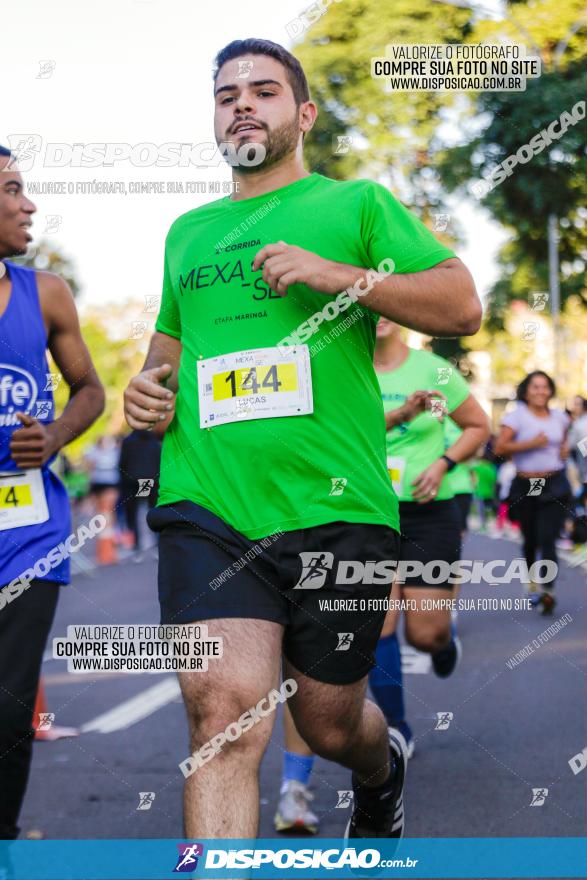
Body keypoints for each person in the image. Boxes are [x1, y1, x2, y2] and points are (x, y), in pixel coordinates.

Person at [123, 38, 481, 841]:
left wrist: (338, 276)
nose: (242, 103)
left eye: (264, 90)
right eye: (226, 95)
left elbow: (461, 306)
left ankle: (379, 765)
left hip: (339, 510)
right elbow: (165, 362)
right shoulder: (188, 232)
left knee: (326, 723)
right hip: (209, 505)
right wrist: (144, 392)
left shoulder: (354, 208)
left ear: (304, 112)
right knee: (223, 713)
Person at [274, 321, 489, 831]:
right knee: (383, 621)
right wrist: (402, 414)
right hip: (365, 512)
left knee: (426, 629)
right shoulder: (340, 365)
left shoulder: (433, 369)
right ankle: (397, 729)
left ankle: (442, 640)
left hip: (424, 509)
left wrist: (442, 463)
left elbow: (477, 426)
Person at [0, 145, 104, 839]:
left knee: (9, 709)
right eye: (12, 190)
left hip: (29, 533)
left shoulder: (48, 293)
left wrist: (59, 433)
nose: (29, 204)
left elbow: (91, 389)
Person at [494, 371, 571, 615]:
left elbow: (564, 440)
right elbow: (499, 448)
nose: (540, 391)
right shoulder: (516, 417)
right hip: (526, 483)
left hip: (554, 483)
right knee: (531, 539)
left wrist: (564, 450)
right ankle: (532, 582)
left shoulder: (559, 417)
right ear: (526, 391)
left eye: (545, 387)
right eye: (535, 387)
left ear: (551, 390)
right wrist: (531, 444)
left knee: (548, 538)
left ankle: (548, 590)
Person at [118, 429, 161, 550]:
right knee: (152, 509)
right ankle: (157, 539)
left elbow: (122, 463)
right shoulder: (153, 441)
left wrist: (124, 481)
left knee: (135, 512)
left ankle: (137, 541)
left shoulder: (128, 441)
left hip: (133, 480)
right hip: (150, 479)